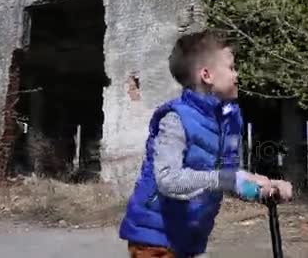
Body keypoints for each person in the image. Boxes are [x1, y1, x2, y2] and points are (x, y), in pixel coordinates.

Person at [119, 30, 293, 257]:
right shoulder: (176, 119)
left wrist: (262, 189)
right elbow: (168, 179)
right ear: (207, 75)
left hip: (190, 240)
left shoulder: (231, 120)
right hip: (154, 239)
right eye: (231, 67)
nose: (236, 75)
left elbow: (227, 178)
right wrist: (229, 178)